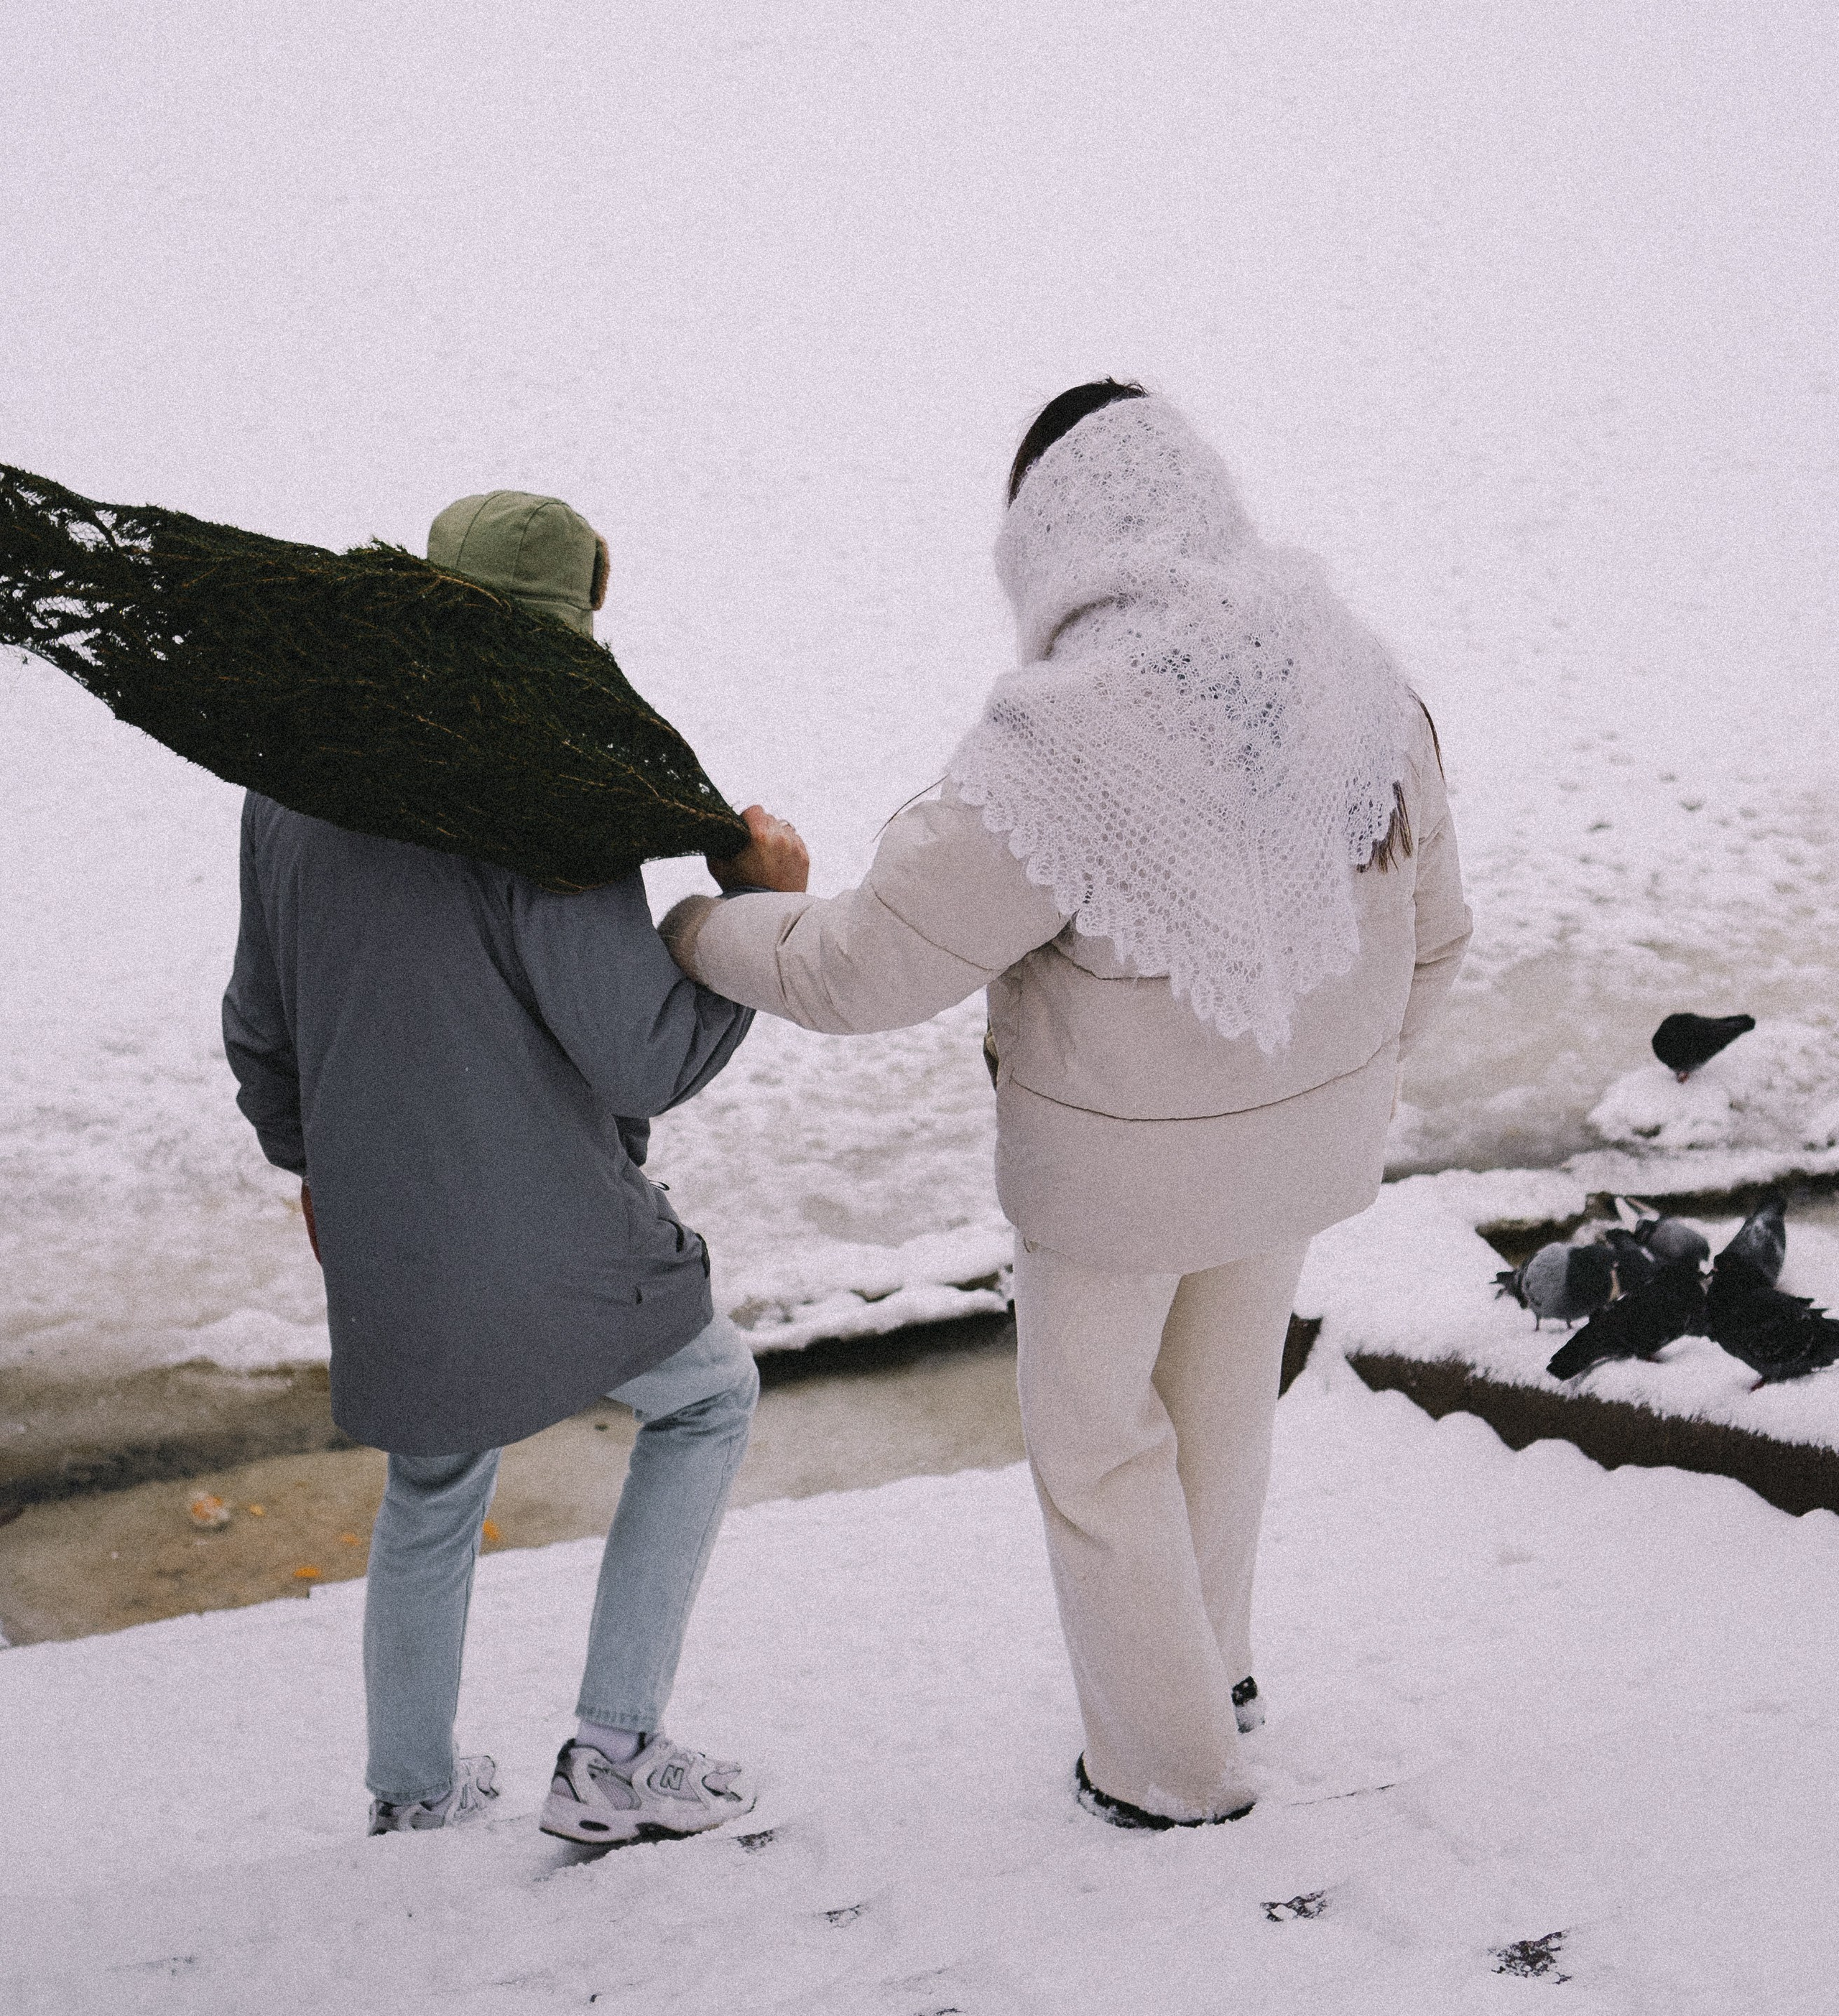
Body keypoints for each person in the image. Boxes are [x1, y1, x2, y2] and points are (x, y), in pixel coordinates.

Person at [663, 384, 1470, 1831]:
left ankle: (1163, 1768)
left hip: (1113, 1179)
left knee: (1097, 1438)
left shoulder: (1064, 744)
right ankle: (1211, 1677)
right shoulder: (1357, 679)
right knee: (1223, 1407)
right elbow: (1436, 933)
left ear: (1049, 538)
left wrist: (696, 935)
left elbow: (866, 966)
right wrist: (1337, 1083)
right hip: (1303, 1148)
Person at [223, 488, 797, 1849]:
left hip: (381, 1222)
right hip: (551, 1226)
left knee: (432, 1481)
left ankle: (414, 1789)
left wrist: (314, 1166)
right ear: (569, 626)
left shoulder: (293, 781)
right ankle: (614, 1752)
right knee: (709, 1397)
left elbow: (260, 1024)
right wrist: (755, 904)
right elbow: (642, 1060)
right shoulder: (549, 802)